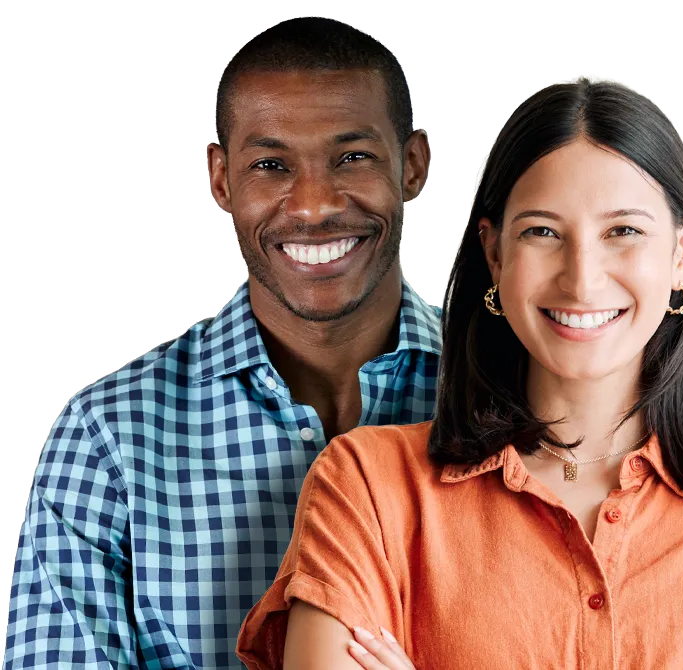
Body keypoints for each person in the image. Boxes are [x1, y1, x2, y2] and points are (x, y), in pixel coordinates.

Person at [235, 75, 683, 670]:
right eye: (543, 233)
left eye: (623, 232)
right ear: (495, 255)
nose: (582, 279)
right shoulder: (367, 490)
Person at [3, 17, 437, 669]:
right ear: (221, 180)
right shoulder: (109, 441)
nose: (314, 205)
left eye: (352, 157)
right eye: (271, 164)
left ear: (411, 167)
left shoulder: (526, 400)